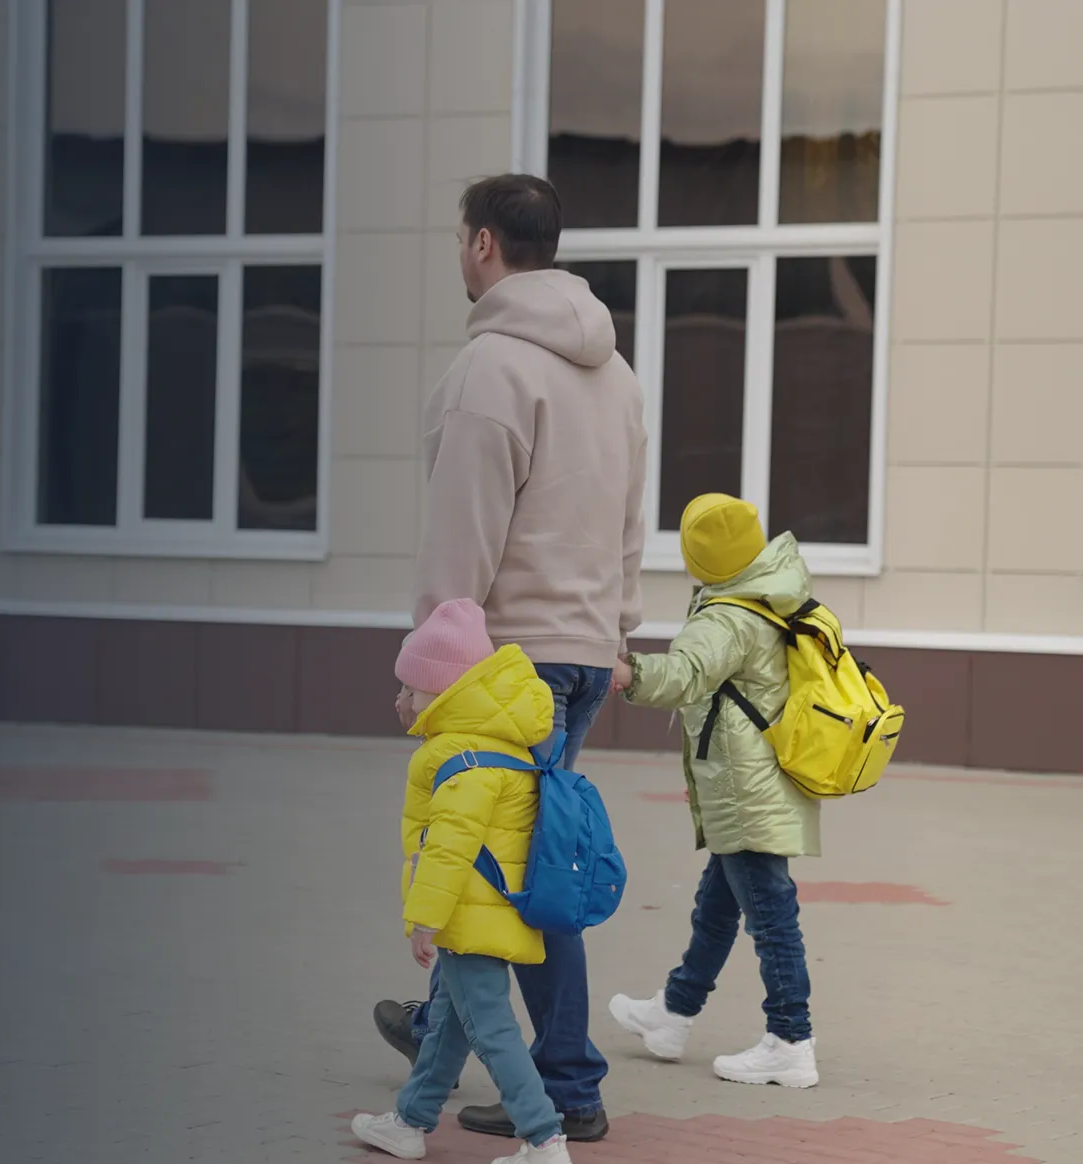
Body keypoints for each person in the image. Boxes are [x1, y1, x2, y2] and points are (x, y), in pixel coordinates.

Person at [375, 173, 646, 1143]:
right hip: (579, 658)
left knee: (518, 870)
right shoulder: (614, 376)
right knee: (516, 856)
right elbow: (627, 525)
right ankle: (442, 1025)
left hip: (503, 664)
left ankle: (566, 1083)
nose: (458, 253)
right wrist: (617, 635)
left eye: (459, 238)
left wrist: (424, 673)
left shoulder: (488, 370)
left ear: (483, 244)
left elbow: (460, 540)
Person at [605, 494, 822, 1089]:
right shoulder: (769, 592)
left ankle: (791, 1039)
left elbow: (683, 674)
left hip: (744, 789)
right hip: (756, 782)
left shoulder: (728, 616)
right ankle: (674, 1013)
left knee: (772, 918)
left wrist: (628, 673)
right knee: (717, 909)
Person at [350, 600, 574, 1164]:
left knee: (490, 1028)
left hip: (469, 913)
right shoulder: (497, 746)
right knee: (449, 1022)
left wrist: (425, 918)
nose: (400, 699)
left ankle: (544, 1138)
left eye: (410, 688)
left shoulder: (460, 758)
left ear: (441, 692)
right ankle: (409, 1121)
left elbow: (448, 847)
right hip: (486, 909)